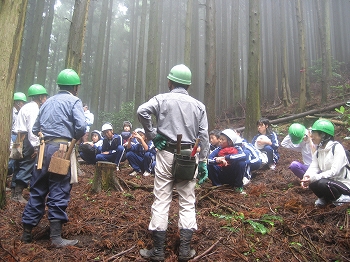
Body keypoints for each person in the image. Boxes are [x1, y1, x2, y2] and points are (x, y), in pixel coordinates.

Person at [137, 64, 209, 261]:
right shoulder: (198, 106)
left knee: (161, 199)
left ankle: (158, 251)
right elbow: (203, 135)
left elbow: (142, 111)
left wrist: (152, 134)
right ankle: (185, 251)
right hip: (189, 155)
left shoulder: (161, 99)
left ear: (170, 81)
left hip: (166, 153)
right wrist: (203, 161)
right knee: (187, 200)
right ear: (188, 85)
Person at [21, 69, 86, 247]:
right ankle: (56, 238)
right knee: (59, 188)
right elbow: (81, 127)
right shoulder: (74, 101)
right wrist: (71, 135)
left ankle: (26, 233)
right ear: (74, 86)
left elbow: (35, 129)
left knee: (38, 188)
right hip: (61, 150)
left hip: (43, 150)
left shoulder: (47, 102)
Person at [11, 85, 48, 203]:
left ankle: (14, 191)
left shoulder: (27, 106)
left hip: (20, 138)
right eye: (44, 96)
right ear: (40, 97)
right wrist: (36, 147)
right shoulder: (34, 109)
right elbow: (32, 129)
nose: (45, 98)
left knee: (18, 164)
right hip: (27, 140)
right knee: (26, 165)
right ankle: (17, 194)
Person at [301, 119, 350, 206]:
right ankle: (324, 198)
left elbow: (334, 171)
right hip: (331, 182)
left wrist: (314, 177)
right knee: (314, 181)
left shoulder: (337, 148)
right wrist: (306, 177)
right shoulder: (318, 151)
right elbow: (313, 167)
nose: (311, 137)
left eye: (314, 134)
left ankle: (342, 200)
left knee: (322, 182)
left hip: (345, 184)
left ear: (323, 135)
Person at [8, 92, 27, 182]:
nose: (23, 105)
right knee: (11, 160)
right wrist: (11, 143)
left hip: (17, 136)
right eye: (22, 103)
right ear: (18, 102)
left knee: (15, 159)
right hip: (12, 136)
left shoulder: (18, 112)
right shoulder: (11, 112)